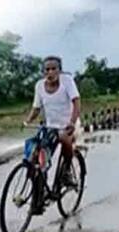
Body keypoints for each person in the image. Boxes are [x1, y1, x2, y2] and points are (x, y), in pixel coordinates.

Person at [24, 55, 81, 194]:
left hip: (69, 124)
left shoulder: (67, 81)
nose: (50, 73)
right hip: (51, 127)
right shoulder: (39, 86)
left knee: (65, 139)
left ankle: (66, 171)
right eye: (47, 70)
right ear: (43, 72)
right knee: (38, 155)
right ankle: (39, 189)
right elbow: (36, 108)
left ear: (59, 70)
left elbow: (76, 102)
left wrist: (72, 122)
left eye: (53, 69)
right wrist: (27, 121)